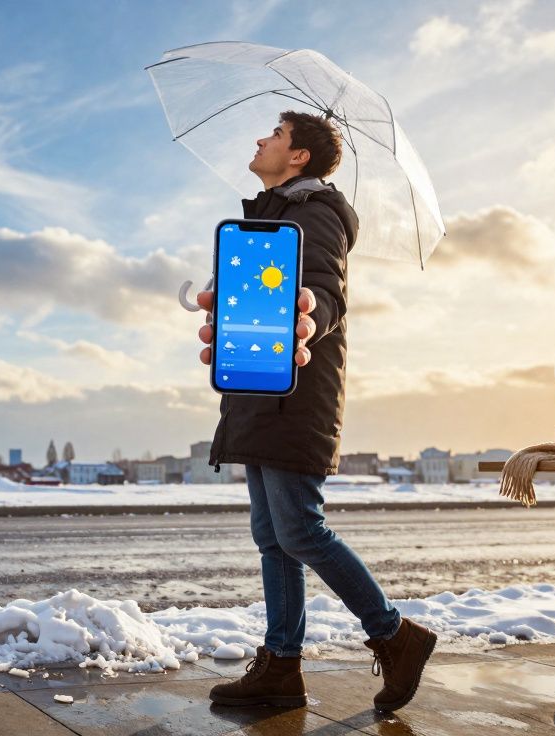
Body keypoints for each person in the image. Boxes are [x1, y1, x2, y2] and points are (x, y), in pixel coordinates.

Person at [198, 111, 437, 712]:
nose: (260, 139)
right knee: (272, 537)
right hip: (257, 394)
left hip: (295, 397)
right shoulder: (272, 217)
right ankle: (281, 668)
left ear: (299, 155)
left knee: (300, 529)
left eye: (274, 134)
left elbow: (325, 292)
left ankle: (395, 635)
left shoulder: (316, 214)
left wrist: (310, 313)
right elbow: (265, 289)